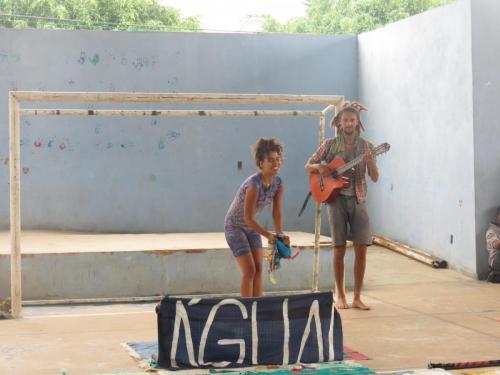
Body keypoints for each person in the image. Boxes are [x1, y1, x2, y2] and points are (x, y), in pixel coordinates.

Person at [304, 102, 378, 310]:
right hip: (335, 200)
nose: (348, 123)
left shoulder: (366, 146)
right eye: (345, 120)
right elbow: (307, 165)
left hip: (358, 198)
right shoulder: (329, 144)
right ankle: (341, 295)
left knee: (361, 248)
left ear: (358, 123)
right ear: (339, 122)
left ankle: (357, 297)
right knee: (339, 249)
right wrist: (320, 167)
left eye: (352, 120)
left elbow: (375, 177)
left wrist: (371, 162)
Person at [224, 137, 289, 297]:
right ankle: (246, 312)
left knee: (259, 269)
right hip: (235, 227)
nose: (276, 164)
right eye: (270, 160)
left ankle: (258, 309)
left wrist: (279, 235)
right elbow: (247, 218)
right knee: (249, 270)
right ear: (261, 163)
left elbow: (277, 213)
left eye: (277, 159)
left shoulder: (278, 183)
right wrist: (269, 235)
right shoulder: (254, 184)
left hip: (251, 228)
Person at [486, 206, 500, 283]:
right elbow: (496, 245)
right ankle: (494, 275)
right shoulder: (491, 231)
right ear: (498, 216)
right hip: (496, 263)